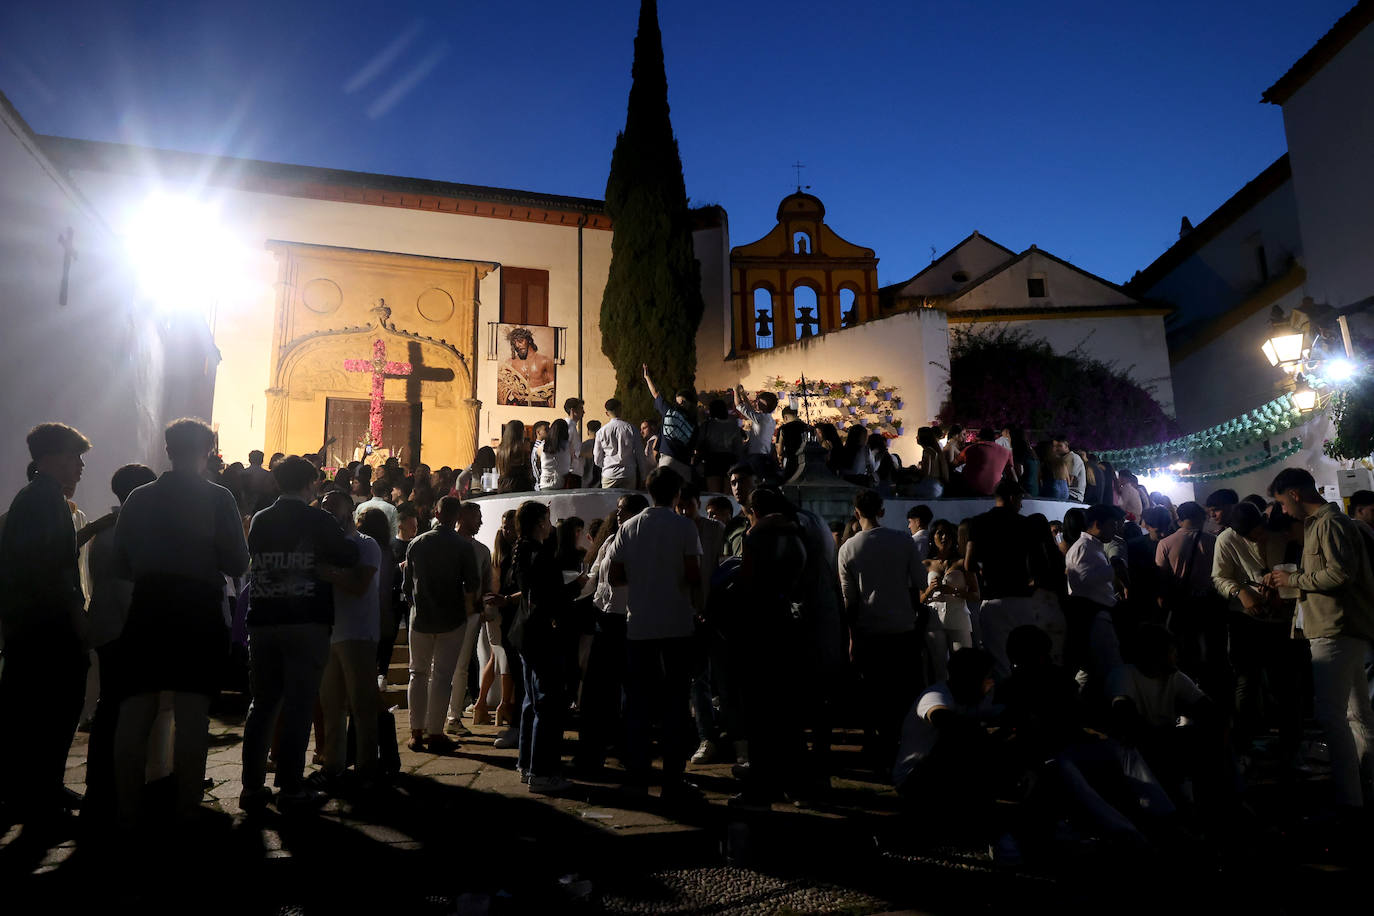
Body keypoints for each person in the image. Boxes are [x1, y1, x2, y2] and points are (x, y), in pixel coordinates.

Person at [240, 456, 361, 812]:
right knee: (298, 704)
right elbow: (349, 554)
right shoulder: (318, 519)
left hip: (264, 618)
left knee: (262, 704)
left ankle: (251, 787)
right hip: (307, 620)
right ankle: (291, 787)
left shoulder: (262, 518)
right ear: (309, 484)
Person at [1265, 468, 1374, 812]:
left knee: (1331, 716)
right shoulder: (1324, 524)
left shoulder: (1330, 523)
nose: (1284, 511)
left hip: (1334, 629)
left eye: (1283, 503)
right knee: (1357, 715)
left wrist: (1294, 579)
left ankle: (1349, 800)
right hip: (1341, 628)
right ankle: (1363, 789)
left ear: (1294, 494)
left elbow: (1340, 574)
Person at [0, 423, 93, 819]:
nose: (80, 467)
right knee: (51, 709)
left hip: (30, 623)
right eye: (75, 458)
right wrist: (77, 618)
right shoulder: (45, 501)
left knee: (36, 709)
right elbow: (54, 568)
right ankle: (39, 794)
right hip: (46, 626)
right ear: (52, 458)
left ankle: (40, 788)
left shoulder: (37, 498)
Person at [607, 469, 704, 802]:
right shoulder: (685, 527)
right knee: (676, 704)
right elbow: (693, 574)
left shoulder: (629, 527)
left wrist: (643, 578)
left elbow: (615, 576)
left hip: (640, 625)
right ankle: (673, 780)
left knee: (639, 705)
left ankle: (637, 776)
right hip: (677, 624)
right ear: (677, 493)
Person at [82, 463, 158, 819]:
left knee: (110, 706)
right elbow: (130, 590)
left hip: (109, 627)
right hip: (125, 630)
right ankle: (113, 785)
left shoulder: (109, 530)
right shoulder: (129, 531)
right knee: (121, 709)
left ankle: (103, 783)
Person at [838, 489, 925, 768]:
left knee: (872, 691)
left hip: (869, 630)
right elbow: (920, 583)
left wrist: (851, 638)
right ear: (882, 511)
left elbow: (850, 601)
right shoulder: (903, 540)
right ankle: (901, 742)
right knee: (902, 690)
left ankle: (873, 742)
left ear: (856, 513)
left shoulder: (848, 548)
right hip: (902, 627)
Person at [512, 500, 588, 795]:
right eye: (548, 519)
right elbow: (550, 597)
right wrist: (578, 586)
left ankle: (527, 763)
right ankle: (542, 772)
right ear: (540, 523)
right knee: (548, 704)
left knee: (532, 702)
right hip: (542, 633)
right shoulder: (540, 554)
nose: (551, 524)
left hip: (526, 632)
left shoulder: (523, 549)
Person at [403, 496, 480, 753]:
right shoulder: (463, 546)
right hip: (452, 617)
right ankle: (436, 733)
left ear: (436, 513)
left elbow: (406, 586)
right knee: (442, 676)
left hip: (421, 617)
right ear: (457, 517)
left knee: (417, 673)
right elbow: (472, 584)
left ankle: (416, 732)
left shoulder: (417, 543)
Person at [315, 489, 381, 789]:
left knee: (362, 705)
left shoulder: (366, 544)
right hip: (330, 633)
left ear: (350, 510)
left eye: (334, 506)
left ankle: (367, 768)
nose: (327, 511)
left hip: (358, 633)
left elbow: (359, 585)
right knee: (331, 706)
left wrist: (327, 573)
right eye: (324, 505)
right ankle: (333, 765)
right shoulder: (326, 547)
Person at [964, 481, 1037, 679]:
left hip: (993, 600)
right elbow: (1035, 564)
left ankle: (1004, 696)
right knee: (1027, 658)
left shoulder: (979, 522)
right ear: (1012, 498)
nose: (1021, 504)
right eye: (1020, 499)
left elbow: (968, 564)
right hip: (1022, 599)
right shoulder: (1025, 524)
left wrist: (983, 571)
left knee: (999, 663)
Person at [1064, 504, 1125, 699]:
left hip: (1097, 614)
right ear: (1097, 524)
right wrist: (1113, 569)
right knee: (1111, 666)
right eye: (1112, 525)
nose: (1115, 530)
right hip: (1093, 616)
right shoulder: (1083, 547)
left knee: (1091, 668)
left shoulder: (1092, 546)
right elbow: (1081, 581)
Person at [922, 519, 978, 682]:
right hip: (934, 622)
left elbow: (976, 595)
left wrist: (953, 591)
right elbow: (920, 598)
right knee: (939, 668)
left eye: (947, 533)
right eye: (940, 533)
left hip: (959, 619)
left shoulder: (962, 563)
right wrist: (929, 590)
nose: (944, 537)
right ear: (932, 537)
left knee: (964, 667)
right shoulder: (926, 564)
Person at [643, 365, 697, 482]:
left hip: (667, 461)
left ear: (681, 402)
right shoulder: (694, 423)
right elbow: (694, 447)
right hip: (685, 464)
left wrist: (647, 378)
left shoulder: (669, 411)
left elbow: (655, 393)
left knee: (665, 490)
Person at [593, 398, 645, 489]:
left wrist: (606, 465)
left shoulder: (601, 432)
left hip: (609, 474)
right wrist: (643, 476)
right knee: (628, 498)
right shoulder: (631, 428)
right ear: (620, 410)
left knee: (608, 498)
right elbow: (640, 454)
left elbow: (597, 458)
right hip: (628, 472)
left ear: (607, 413)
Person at [498, 326, 556, 407]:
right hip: (518, 405)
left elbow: (554, 388)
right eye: (514, 343)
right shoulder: (509, 363)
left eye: (520, 341)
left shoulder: (545, 361)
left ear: (529, 340)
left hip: (540, 406)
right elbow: (502, 387)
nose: (517, 345)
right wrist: (512, 393)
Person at [731, 386, 778, 479]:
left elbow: (739, 406)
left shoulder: (761, 418)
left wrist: (735, 390)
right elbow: (750, 409)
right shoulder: (769, 419)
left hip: (756, 456)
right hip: (764, 455)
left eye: (759, 401)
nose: (756, 402)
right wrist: (743, 394)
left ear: (766, 404)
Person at [699, 399, 745, 492]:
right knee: (728, 493)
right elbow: (738, 447)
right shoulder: (734, 426)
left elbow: (699, 443)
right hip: (730, 460)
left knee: (714, 493)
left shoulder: (706, 425)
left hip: (712, 460)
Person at [954, 428, 1016, 497]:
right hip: (993, 491)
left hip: (970, 490)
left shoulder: (970, 448)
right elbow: (1011, 474)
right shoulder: (1006, 452)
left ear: (979, 438)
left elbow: (955, 463)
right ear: (994, 438)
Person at [534, 418, 573, 492]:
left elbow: (539, 461)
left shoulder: (542, 446)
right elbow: (571, 461)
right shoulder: (569, 446)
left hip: (545, 483)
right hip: (563, 483)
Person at [495, 420, 535, 494]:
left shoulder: (500, 449)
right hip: (521, 485)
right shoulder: (522, 448)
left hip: (503, 484)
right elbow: (527, 468)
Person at [773, 406, 808, 483]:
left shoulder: (783, 429)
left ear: (785, 417)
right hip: (807, 463)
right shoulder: (807, 427)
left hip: (791, 463)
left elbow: (780, 451)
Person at [912, 426, 948, 498]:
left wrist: (915, 471)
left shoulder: (927, 451)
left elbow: (927, 473)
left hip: (930, 486)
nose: (916, 438)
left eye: (918, 436)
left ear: (923, 438)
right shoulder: (934, 450)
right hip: (938, 486)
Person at [1051, 435, 1087, 503]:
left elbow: (1068, 481)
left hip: (1073, 495)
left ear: (1066, 446)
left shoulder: (1070, 457)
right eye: (1055, 446)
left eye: (1060, 446)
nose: (1057, 448)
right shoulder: (1067, 457)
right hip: (1072, 495)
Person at [564, 397, 585, 487]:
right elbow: (567, 448)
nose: (583, 412)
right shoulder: (569, 427)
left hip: (574, 472)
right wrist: (585, 453)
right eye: (581, 408)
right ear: (573, 410)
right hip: (571, 472)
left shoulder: (572, 426)